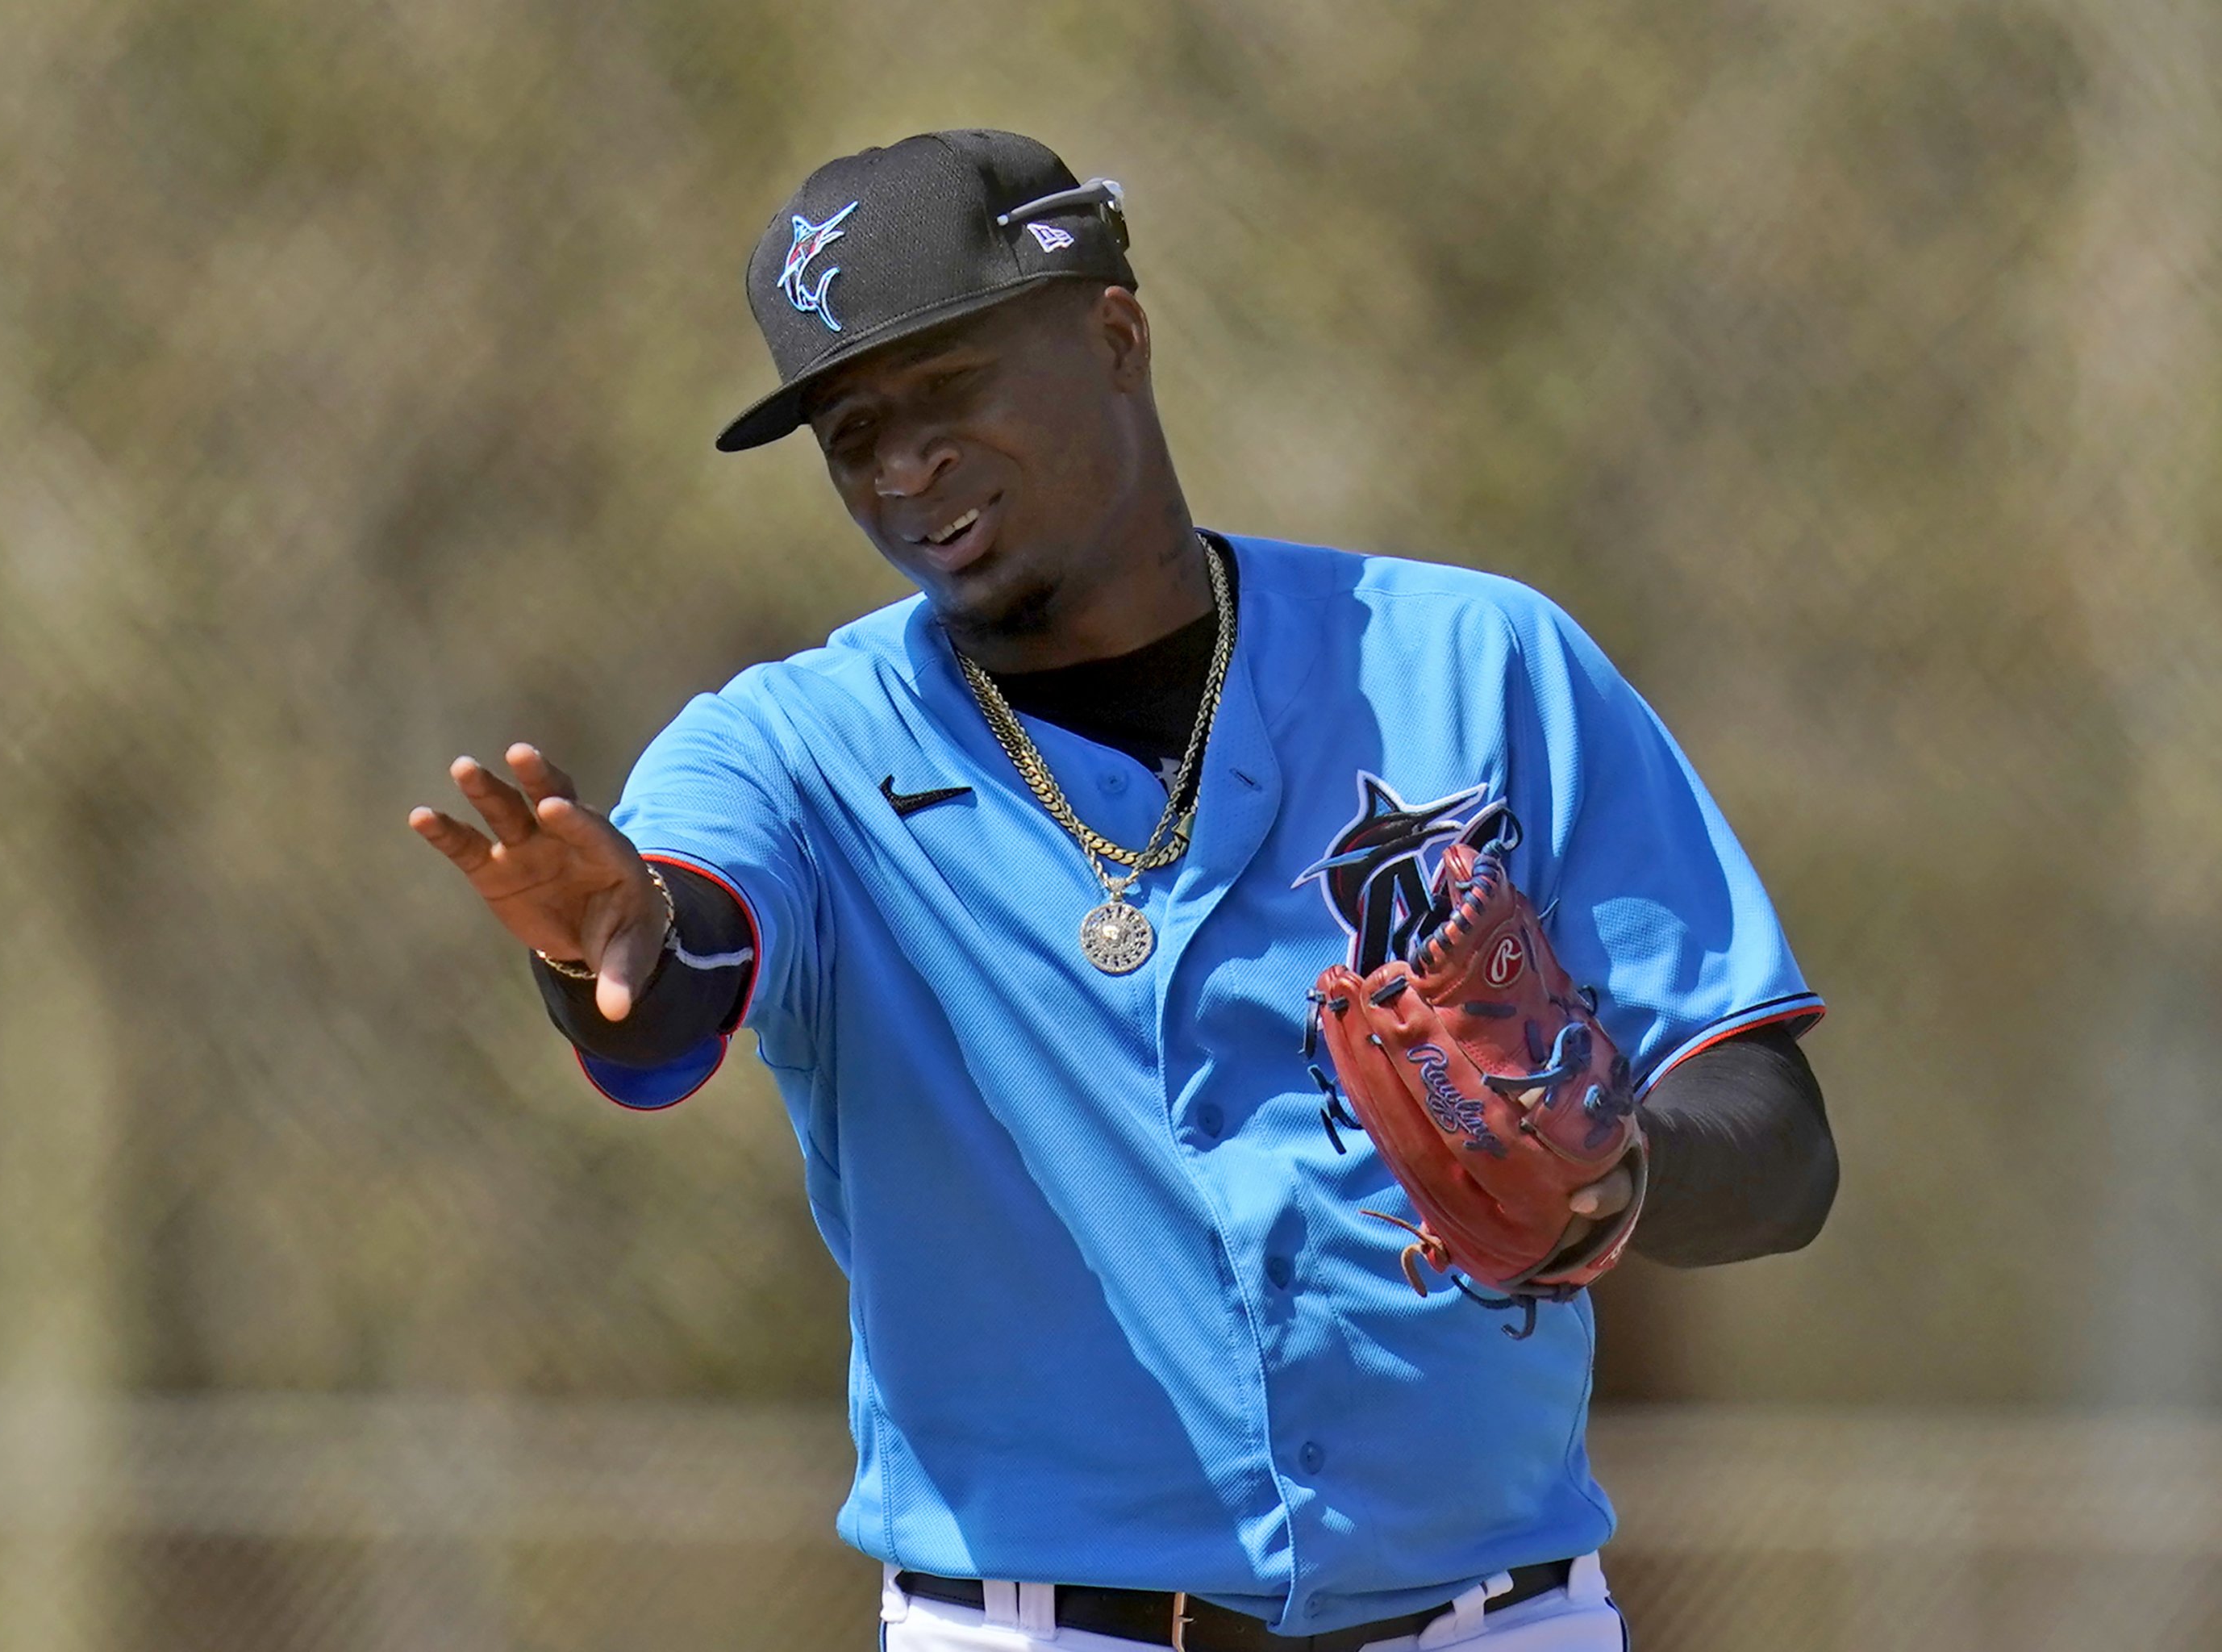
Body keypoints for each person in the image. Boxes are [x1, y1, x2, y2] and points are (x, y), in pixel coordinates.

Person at [411, 131, 1836, 1652]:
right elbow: (680, 964)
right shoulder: (794, 750)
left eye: (946, 389)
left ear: (1115, 334)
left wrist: (1611, 1178)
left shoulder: (1476, 666)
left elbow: (1774, 1138)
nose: (902, 468)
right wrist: (610, 952)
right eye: (851, 432)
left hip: (1496, 1621)